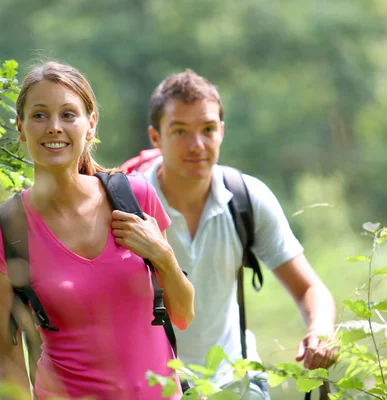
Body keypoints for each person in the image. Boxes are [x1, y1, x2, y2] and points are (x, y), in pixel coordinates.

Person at [0, 61, 195, 400]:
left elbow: (183, 314)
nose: (54, 127)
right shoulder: (0, 236)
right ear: (20, 128)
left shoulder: (134, 198)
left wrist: (162, 256)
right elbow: (10, 363)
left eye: (68, 115)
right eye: (39, 115)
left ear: (90, 125)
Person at [122, 69, 337, 399]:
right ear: (155, 137)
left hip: (236, 380)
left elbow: (309, 288)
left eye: (208, 129)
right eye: (180, 131)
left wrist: (320, 332)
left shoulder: (247, 198)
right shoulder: (128, 203)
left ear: (221, 131)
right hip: (153, 385)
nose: (197, 145)